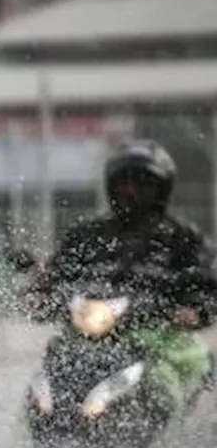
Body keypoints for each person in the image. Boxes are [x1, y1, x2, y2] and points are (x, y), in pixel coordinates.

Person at [22, 138, 217, 410]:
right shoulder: (85, 237)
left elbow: (208, 285)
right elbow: (57, 276)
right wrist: (39, 294)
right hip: (85, 339)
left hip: (157, 338)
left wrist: (193, 310)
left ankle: (176, 438)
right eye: (123, 182)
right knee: (39, 388)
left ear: (160, 188)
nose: (130, 190)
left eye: (141, 182)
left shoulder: (183, 239)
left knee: (166, 384)